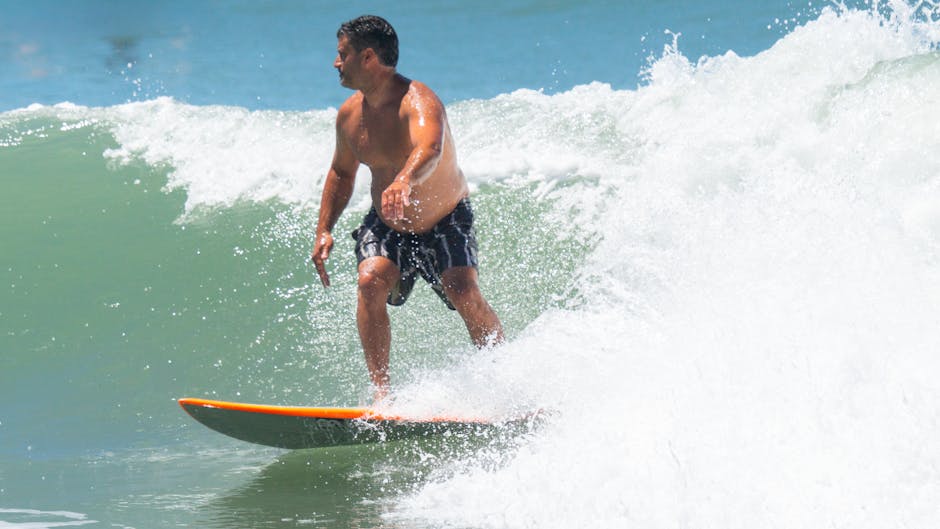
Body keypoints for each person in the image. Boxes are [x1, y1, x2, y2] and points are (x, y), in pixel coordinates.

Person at [311, 15, 504, 400]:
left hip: (445, 216)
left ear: (367, 57)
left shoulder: (419, 102)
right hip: (388, 223)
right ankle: (382, 395)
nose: (336, 63)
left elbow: (429, 149)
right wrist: (324, 228)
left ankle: (503, 377)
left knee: (462, 290)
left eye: (342, 54)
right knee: (369, 282)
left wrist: (404, 179)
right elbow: (341, 173)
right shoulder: (350, 116)